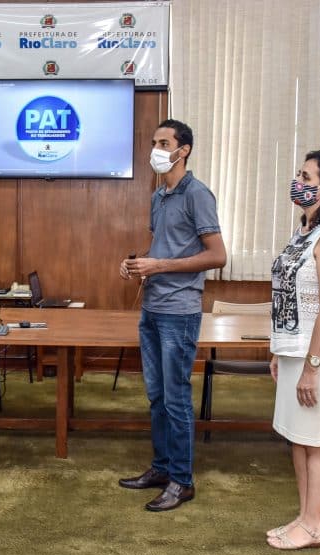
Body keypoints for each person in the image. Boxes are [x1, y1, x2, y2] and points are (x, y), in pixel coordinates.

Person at [117, 119, 227, 512]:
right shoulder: (159, 196)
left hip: (179, 312)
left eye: (164, 143)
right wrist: (137, 264)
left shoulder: (197, 194)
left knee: (176, 398)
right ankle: (162, 468)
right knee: (157, 396)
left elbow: (217, 255)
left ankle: (182, 481)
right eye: (154, 142)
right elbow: (164, 247)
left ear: (184, 150)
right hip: (152, 307)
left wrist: (160, 266)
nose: (156, 150)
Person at [265, 150, 320, 551]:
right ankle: (304, 517)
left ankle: (315, 525)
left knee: (316, 442)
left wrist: (312, 368)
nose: (297, 181)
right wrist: (279, 351)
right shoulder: (304, 230)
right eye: (297, 174)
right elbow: (292, 299)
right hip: (293, 352)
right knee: (297, 439)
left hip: (317, 358)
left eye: (305, 176)